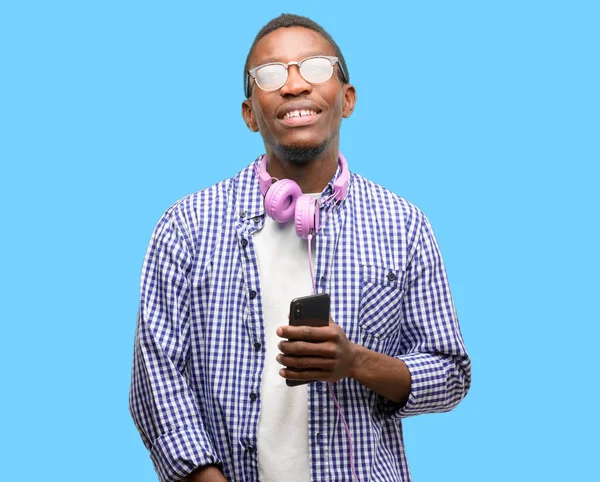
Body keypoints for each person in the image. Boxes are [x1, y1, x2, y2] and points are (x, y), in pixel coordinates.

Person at [130, 13, 471, 482]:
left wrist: (356, 362)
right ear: (250, 113)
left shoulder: (404, 225)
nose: (293, 86)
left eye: (314, 68)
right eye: (270, 76)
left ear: (347, 99)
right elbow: (156, 381)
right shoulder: (186, 226)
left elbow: (450, 374)